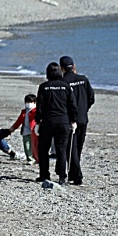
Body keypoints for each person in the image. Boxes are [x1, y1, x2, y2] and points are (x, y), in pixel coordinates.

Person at [36, 62, 77, 185]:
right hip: (63, 122)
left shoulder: (44, 87)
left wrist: (37, 121)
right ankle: (62, 177)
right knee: (61, 150)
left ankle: (44, 174)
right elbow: (72, 106)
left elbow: (40, 107)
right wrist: (73, 120)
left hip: (48, 122)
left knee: (43, 149)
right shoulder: (66, 87)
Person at [60, 56, 94, 184]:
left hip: (70, 119)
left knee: (71, 148)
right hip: (82, 118)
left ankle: (76, 175)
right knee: (77, 147)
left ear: (62, 68)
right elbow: (91, 98)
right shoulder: (83, 80)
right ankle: (74, 174)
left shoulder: (63, 82)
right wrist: (84, 109)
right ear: (73, 66)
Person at [9, 94, 39, 164]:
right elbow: (19, 121)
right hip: (25, 131)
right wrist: (13, 127)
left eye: (30, 102)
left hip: (34, 131)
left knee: (35, 146)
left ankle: (37, 159)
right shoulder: (24, 112)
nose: (28, 104)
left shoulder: (36, 111)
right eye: (27, 102)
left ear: (35, 102)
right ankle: (30, 159)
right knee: (27, 146)